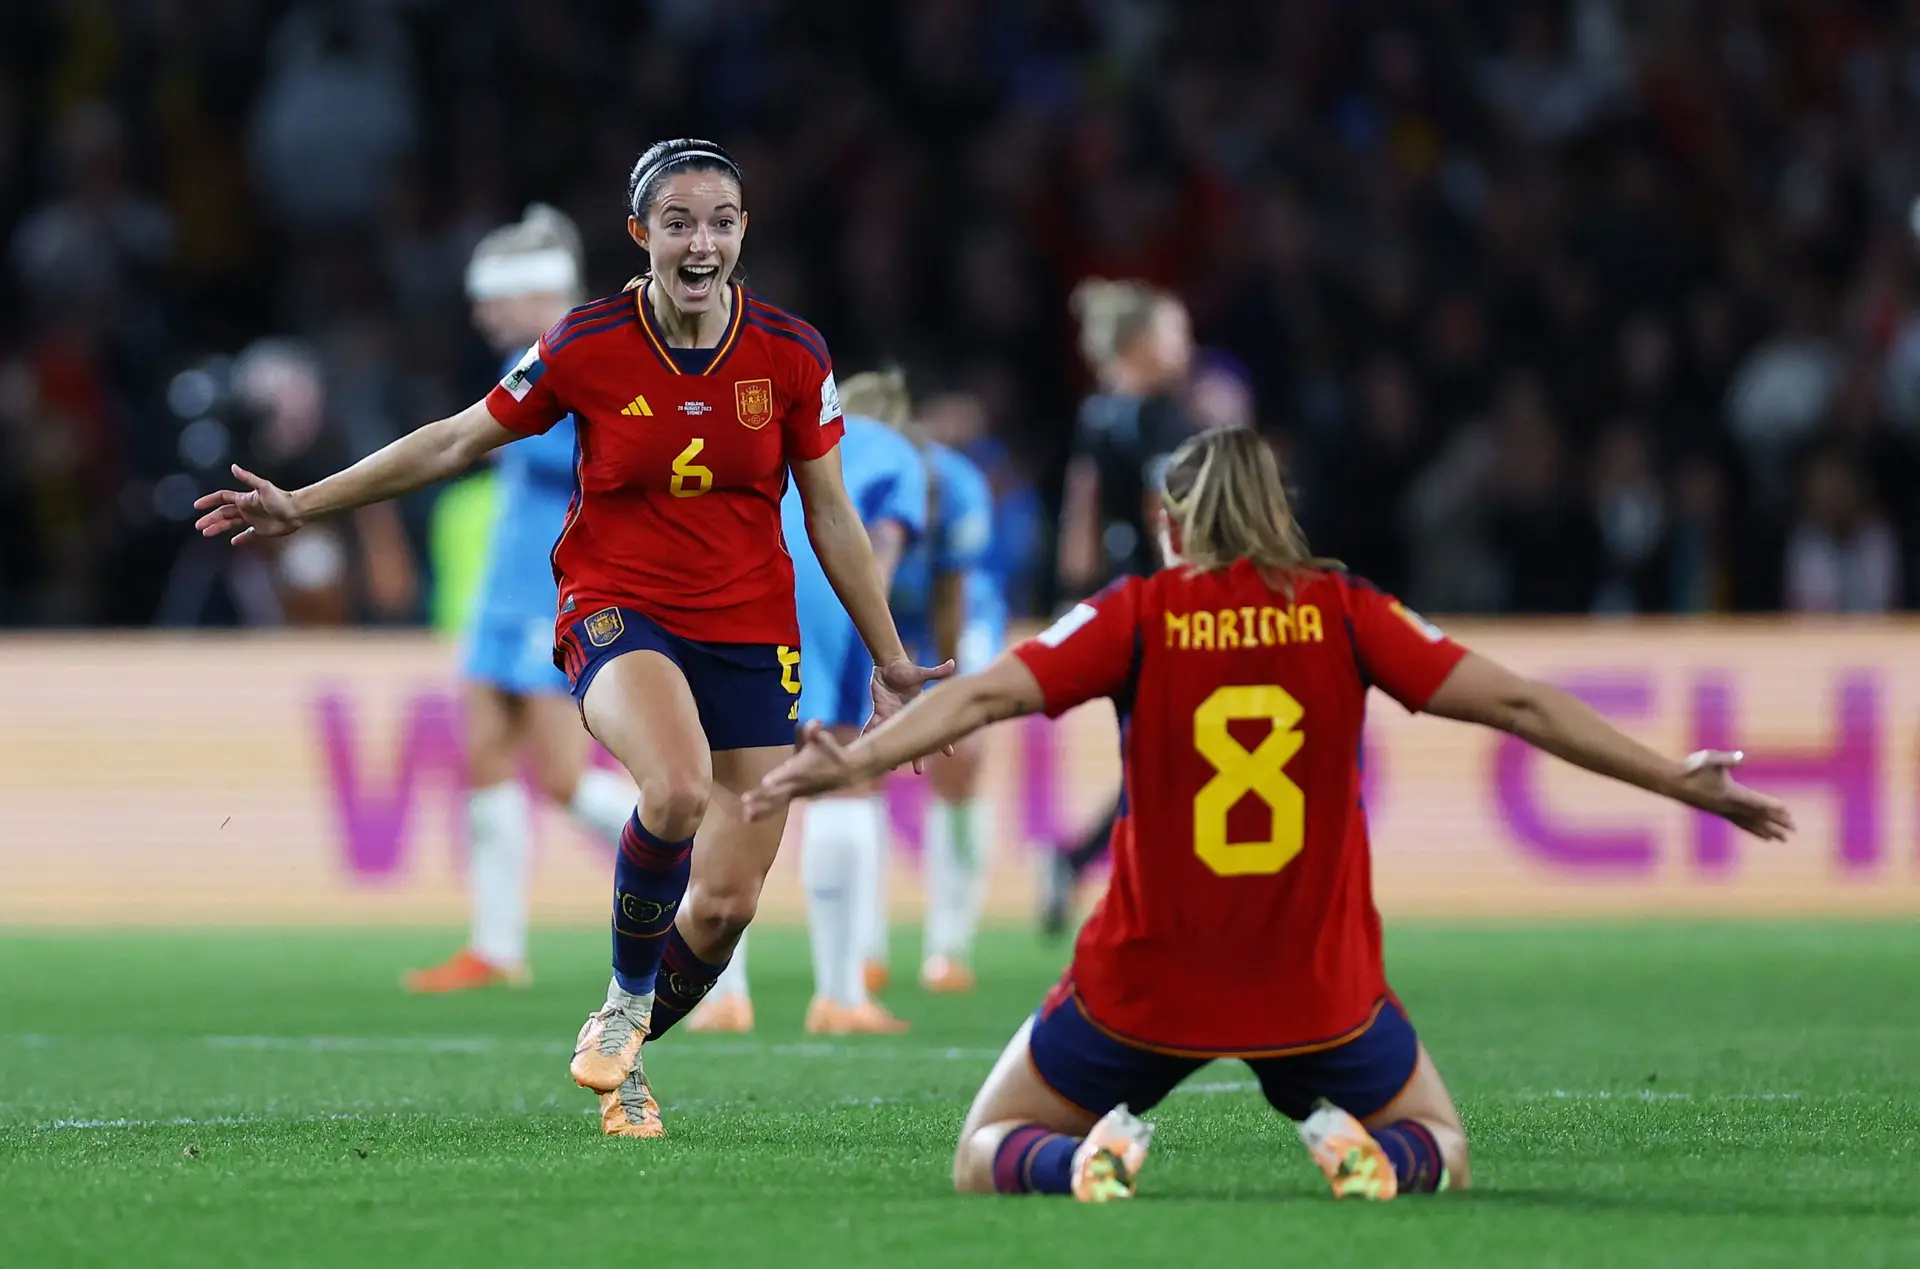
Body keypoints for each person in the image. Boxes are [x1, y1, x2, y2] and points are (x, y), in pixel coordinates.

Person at [739, 426, 1793, 1203]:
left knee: (990, 1146)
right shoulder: (1345, 612)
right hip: (1316, 991)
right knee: (1442, 1143)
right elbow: (1519, 703)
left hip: (1145, 986)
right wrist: (1673, 779)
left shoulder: (1138, 615)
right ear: (1278, 516)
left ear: (1170, 521)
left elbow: (986, 693)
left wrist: (860, 759)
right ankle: (1369, 1154)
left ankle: (1087, 1162)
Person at [195, 139, 947, 1140]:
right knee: (675, 790)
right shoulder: (584, 345)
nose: (701, 241)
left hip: (749, 629)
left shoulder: (793, 355)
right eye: (677, 221)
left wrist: (892, 656)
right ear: (640, 235)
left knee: (725, 906)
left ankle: (624, 1048)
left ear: (742, 234)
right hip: (617, 608)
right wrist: (309, 504)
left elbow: (834, 519)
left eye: (720, 221)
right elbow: (460, 438)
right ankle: (628, 1005)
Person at [404, 205, 639, 994]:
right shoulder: (526, 360)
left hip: (555, 585)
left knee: (566, 779)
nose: (481, 313)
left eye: (492, 296)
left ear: (537, 294)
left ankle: (683, 846)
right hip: (503, 588)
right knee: (484, 761)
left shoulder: (588, 360)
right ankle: (496, 946)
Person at [688, 369, 927, 1034]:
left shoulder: (797, 431)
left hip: (748, 582)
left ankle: (721, 993)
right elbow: (877, 552)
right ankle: (841, 994)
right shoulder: (898, 454)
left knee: (734, 784)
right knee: (842, 773)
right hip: (826, 592)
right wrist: (881, 645)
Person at [1044, 279, 1197, 937]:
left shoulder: (1098, 414)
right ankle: (1136, 892)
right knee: (1170, 755)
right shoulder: (1159, 419)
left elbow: (1080, 509)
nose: (1184, 346)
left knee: (1158, 755)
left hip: (1117, 604)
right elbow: (1168, 514)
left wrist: (1070, 595)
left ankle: (1083, 862)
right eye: (1174, 333)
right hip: (1165, 608)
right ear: (1140, 344)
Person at [871, 413, 994, 995]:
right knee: (857, 757)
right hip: (883, 623)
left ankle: (949, 945)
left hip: (958, 619)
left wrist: (952, 690)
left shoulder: (963, 487)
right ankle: (865, 945)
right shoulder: (864, 483)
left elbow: (953, 595)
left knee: (961, 757)